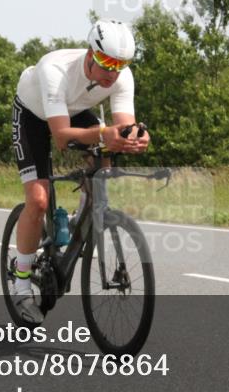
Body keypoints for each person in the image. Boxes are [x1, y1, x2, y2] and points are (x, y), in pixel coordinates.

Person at [10, 20, 150, 322]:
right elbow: (61, 137)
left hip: (72, 111)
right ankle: (21, 282)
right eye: (107, 62)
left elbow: (123, 126)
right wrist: (105, 134)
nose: (113, 72)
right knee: (38, 200)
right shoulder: (55, 69)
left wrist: (134, 136)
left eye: (121, 64)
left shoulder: (122, 77)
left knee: (104, 167)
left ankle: (79, 221)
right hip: (34, 115)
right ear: (91, 54)